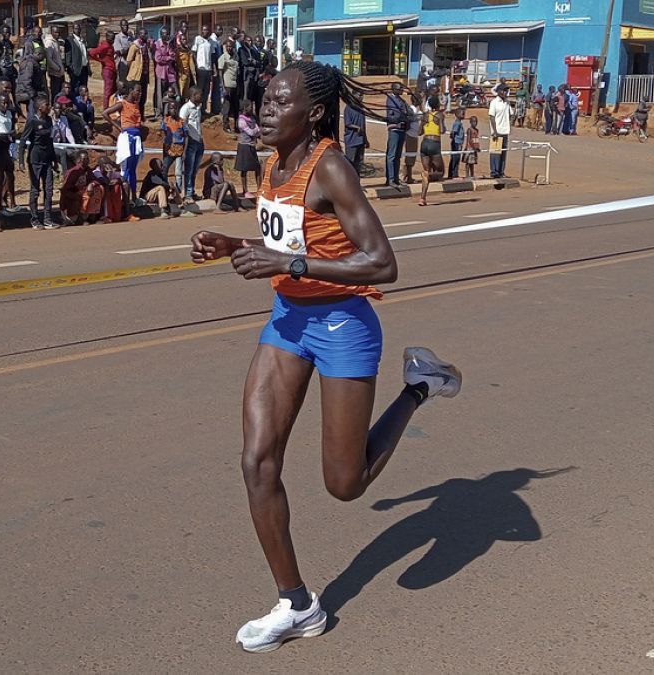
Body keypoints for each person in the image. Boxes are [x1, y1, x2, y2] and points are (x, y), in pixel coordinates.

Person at [188, 60, 462, 654]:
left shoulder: (330, 166)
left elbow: (383, 263)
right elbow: (293, 243)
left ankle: (419, 385)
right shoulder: (273, 163)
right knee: (257, 462)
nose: (264, 109)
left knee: (345, 484)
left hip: (343, 326)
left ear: (311, 113)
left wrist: (289, 265)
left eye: (278, 101)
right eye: (263, 99)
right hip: (288, 321)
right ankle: (297, 604)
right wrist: (235, 246)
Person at [18, 93, 58, 229]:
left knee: (49, 189)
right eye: (47, 105)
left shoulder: (48, 120)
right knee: (35, 190)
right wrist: (21, 161)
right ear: (40, 108)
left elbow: (50, 141)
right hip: (35, 159)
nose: (49, 107)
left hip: (47, 159)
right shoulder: (32, 121)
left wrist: (54, 159)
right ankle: (35, 219)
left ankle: (47, 218)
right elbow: (23, 140)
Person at [102, 82, 144, 196]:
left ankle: (134, 196)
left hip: (136, 138)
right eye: (138, 91)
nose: (140, 94)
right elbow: (105, 113)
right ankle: (123, 196)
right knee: (126, 169)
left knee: (133, 169)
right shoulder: (122, 104)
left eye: (140, 91)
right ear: (131, 91)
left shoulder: (136, 105)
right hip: (127, 138)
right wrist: (118, 127)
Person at [417, 96, 445, 206]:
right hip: (434, 144)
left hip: (424, 143)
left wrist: (424, 123)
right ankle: (429, 176)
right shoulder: (439, 115)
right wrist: (439, 122)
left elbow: (419, 132)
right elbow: (442, 131)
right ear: (438, 105)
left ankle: (422, 198)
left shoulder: (425, 116)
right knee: (441, 172)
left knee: (426, 170)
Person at [179, 86, 204, 202]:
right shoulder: (185, 109)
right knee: (188, 169)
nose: (201, 96)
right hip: (190, 142)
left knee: (195, 169)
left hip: (199, 141)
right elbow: (182, 127)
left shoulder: (198, 108)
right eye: (199, 94)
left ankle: (192, 191)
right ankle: (187, 194)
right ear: (193, 95)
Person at [236, 100, 262, 199]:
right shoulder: (241, 120)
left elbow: (257, 131)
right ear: (244, 108)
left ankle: (259, 189)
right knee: (244, 170)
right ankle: (245, 191)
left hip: (252, 146)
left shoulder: (252, 118)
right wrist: (256, 130)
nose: (252, 108)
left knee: (257, 168)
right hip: (244, 146)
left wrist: (256, 131)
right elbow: (252, 132)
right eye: (250, 107)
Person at [59, 149, 92, 226]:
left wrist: (92, 184)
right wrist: (78, 196)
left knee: (97, 189)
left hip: (81, 196)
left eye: (87, 159)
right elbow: (65, 191)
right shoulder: (73, 172)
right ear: (78, 160)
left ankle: (91, 217)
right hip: (70, 203)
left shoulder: (88, 170)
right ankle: (77, 219)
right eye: (84, 159)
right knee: (84, 195)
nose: (87, 161)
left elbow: (94, 180)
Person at [384, 81, 407, 187]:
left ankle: (396, 178)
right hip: (394, 130)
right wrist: (399, 119)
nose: (402, 90)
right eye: (400, 88)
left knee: (398, 156)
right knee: (391, 156)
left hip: (402, 129)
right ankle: (391, 179)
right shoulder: (391, 100)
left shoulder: (402, 101)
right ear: (394, 89)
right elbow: (391, 116)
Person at [161, 98, 186, 194]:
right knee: (164, 170)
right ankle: (166, 189)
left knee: (178, 173)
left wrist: (184, 151)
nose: (173, 110)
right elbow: (164, 135)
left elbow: (186, 136)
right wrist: (164, 150)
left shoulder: (182, 122)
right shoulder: (165, 121)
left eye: (175, 108)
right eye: (171, 108)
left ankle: (178, 192)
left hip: (179, 150)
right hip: (169, 150)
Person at [125, 29, 150, 119]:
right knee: (136, 96)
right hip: (137, 76)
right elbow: (128, 60)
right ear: (139, 35)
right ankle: (134, 115)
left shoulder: (145, 45)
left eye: (146, 34)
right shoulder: (135, 46)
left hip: (144, 75)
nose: (145, 35)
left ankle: (141, 115)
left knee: (143, 97)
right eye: (143, 34)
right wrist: (134, 69)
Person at [487, 84, 511, 179]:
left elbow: (511, 114)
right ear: (499, 91)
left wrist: (510, 122)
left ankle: (501, 171)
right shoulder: (494, 102)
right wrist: (495, 131)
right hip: (497, 132)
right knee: (495, 153)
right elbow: (491, 117)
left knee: (503, 153)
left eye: (506, 91)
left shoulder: (507, 102)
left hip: (505, 131)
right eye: (504, 91)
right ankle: (494, 172)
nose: (505, 93)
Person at [89, 31, 117, 107]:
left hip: (112, 69)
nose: (113, 41)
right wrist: (100, 60)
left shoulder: (110, 45)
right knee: (108, 91)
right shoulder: (105, 46)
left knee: (113, 90)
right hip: (107, 70)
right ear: (107, 38)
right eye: (111, 39)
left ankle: (111, 108)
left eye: (113, 39)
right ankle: (106, 109)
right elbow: (92, 52)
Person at [153, 28, 177, 117]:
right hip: (161, 72)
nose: (165, 35)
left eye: (167, 33)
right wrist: (168, 58)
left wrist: (167, 57)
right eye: (163, 34)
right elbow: (158, 59)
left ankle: (167, 111)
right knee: (160, 93)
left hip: (169, 72)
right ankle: (159, 112)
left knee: (169, 92)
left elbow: (173, 56)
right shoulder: (157, 44)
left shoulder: (168, 44)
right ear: (161, 34)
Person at [217, 39, 239, 132]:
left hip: (235, 84)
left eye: (231, 46)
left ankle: (237, 126)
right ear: (225, 47)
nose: (229, 48)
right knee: (227, 106)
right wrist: (222, 86)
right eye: (228, 46)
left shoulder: (235, 57)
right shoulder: (223, 57)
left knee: (236, 106)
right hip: (227, 84)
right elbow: (220, 72)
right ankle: (226, 126)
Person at [342, 93, 366, 173]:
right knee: (350, 163)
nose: (361, 97)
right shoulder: (348, 108)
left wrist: (365, 139)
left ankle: (357, 183)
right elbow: (347, 123)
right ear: (354, 95)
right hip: (351, 140)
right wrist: (357, 127)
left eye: (362, 95)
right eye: (359, 95)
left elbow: (363, 125)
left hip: (360, 140)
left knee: (359, 163)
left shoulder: (361, 108)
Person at [193, 27, 214, 116]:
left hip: (208, 70)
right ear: (201, 30)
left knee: (206, 91)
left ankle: (204, 110)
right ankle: (197, 110)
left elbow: (211, 55)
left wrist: (213, 69)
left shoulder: (210, 41)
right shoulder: (197, 39)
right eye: (204, 30)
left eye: (207, 30)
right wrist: (196, 66)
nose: (206, 31)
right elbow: (193, 53)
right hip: (200, 69)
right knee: (199, 91)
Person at [403, 93, 421, 184]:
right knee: (410, 156)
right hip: (411, 135)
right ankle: (408, 177)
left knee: (411, 156)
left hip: (413, 134)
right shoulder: (412, 110)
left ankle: (407, 175)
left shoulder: (416, 110)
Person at [66, 23, 89, 92]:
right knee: (75, 88)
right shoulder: (69, 40)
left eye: (79, 28)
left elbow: (85, 54)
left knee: (84, 88)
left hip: (84, 68)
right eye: (76, 28)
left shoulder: (83, 40)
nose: (78, 30)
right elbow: (68, 57)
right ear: (73, 29)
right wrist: (71, 69)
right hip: (75, 70)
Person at [44, 25, 66, 97]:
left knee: (61, 92)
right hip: (54, 73)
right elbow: (49, 59)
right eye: (56, 32)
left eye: (59, 32)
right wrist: (57, 68)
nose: (58, 34)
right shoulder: (49, 43)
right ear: (52, 32)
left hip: (60, 73)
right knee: (55, 93)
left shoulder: (56, 41)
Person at [174, 21, 194, 98]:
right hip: (181, 74)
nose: (185, 29)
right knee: (180, 93)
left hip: (187, 73)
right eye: (183, 27)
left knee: (186, 94)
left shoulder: (187, 49)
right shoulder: (178, 49)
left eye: (186, 27)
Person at [447, 106, 464, 180]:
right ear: (457, 114)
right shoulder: (457, 123)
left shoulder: (459, 123)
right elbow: (453, 132)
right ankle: (454, 174)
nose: (463, 115)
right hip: (457, 143)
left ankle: (452, 174)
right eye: (462, 114)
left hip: (458, 142)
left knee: (455, 158)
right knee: (455, 158)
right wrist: (454, 140)